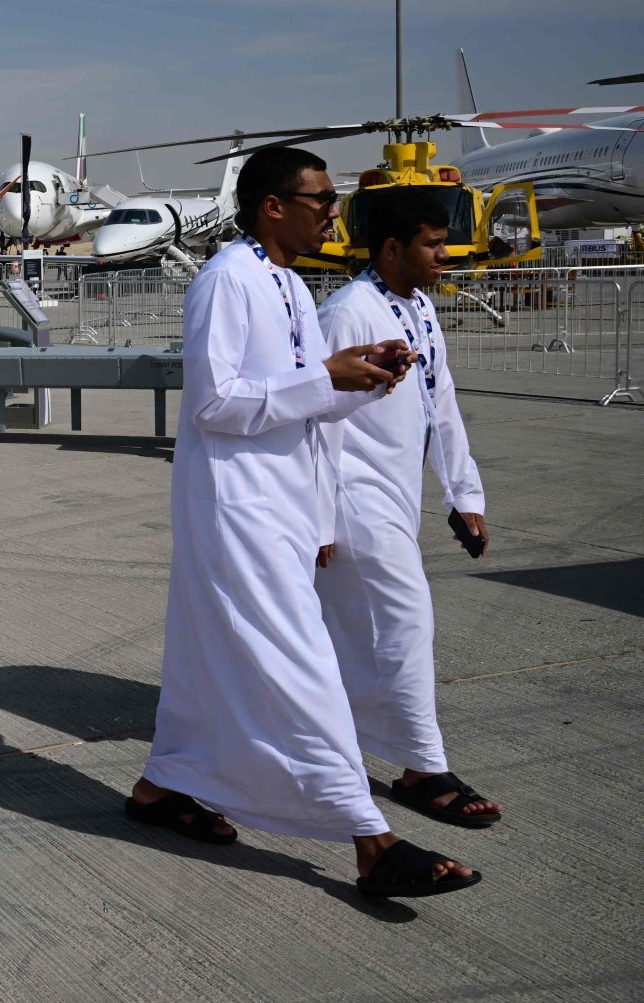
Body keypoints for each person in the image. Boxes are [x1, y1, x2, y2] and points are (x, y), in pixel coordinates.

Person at [127, 147, 483, 900]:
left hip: (282, 501)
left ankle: (162, 786)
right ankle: (370, 838)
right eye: (320, 198)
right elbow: (215, 402)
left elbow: (302, 401)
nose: (333, 211)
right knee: (301, 664)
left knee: (202, 659)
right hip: (237, 503)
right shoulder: (228, 279)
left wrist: (356, 374)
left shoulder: (288, 282)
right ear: (273, 206)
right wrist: (327, 374)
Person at [315, 187, 499, 828]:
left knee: (348, 638)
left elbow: (438, 405)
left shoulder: (419, 307)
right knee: (407, 623)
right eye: (431, 243)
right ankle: (424, 768)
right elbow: (316, 424)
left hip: (397, 497)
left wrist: (462, 494)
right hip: (352, 499)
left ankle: (310, 740)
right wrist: (317, 517)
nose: (444, 254)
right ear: (392, 248)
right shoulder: (347, 313)